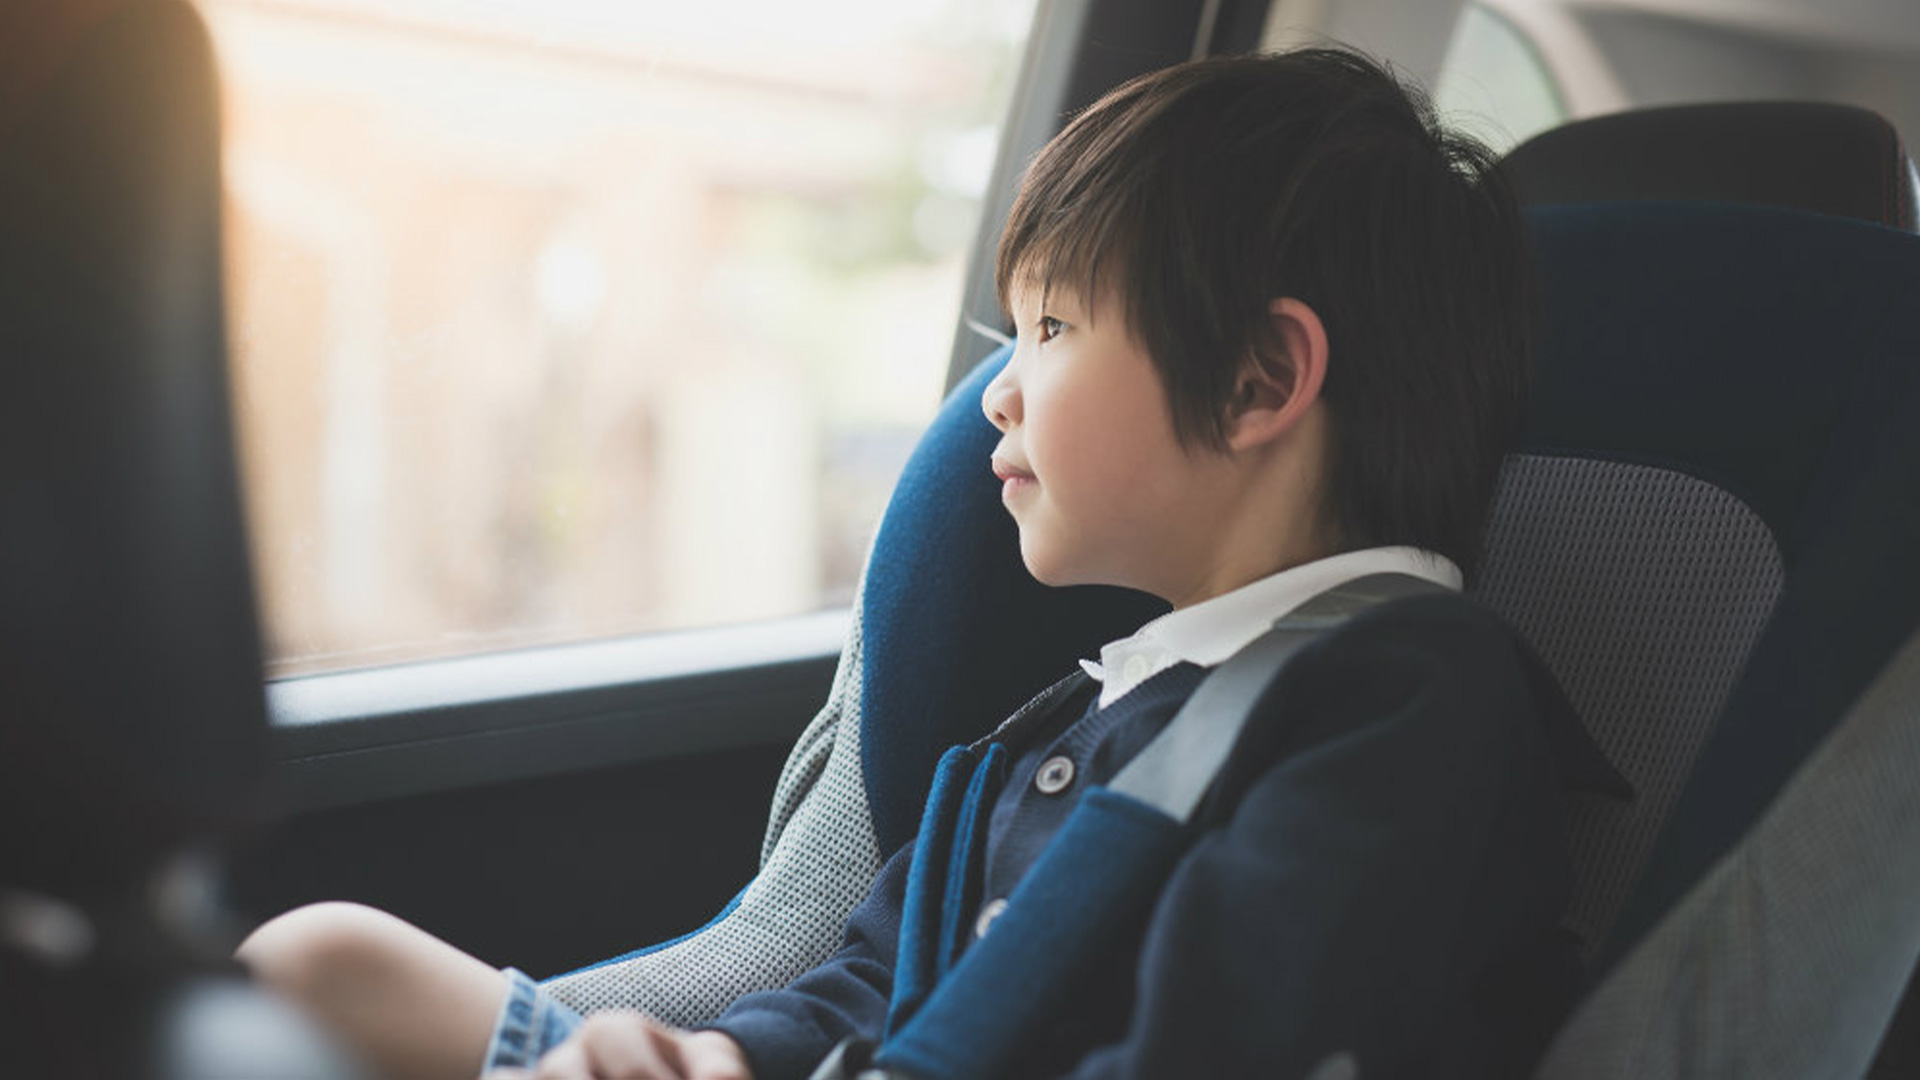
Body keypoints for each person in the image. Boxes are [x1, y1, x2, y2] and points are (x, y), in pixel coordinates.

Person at [241, 47, 1621, 1080]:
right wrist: (725, 1059)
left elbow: (1235, 1035)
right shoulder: (1077, 718)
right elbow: (870, 979)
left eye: (1055, 328)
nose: (1000, 398)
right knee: (318, 962)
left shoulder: (1407, 703)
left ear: (1262, 376)